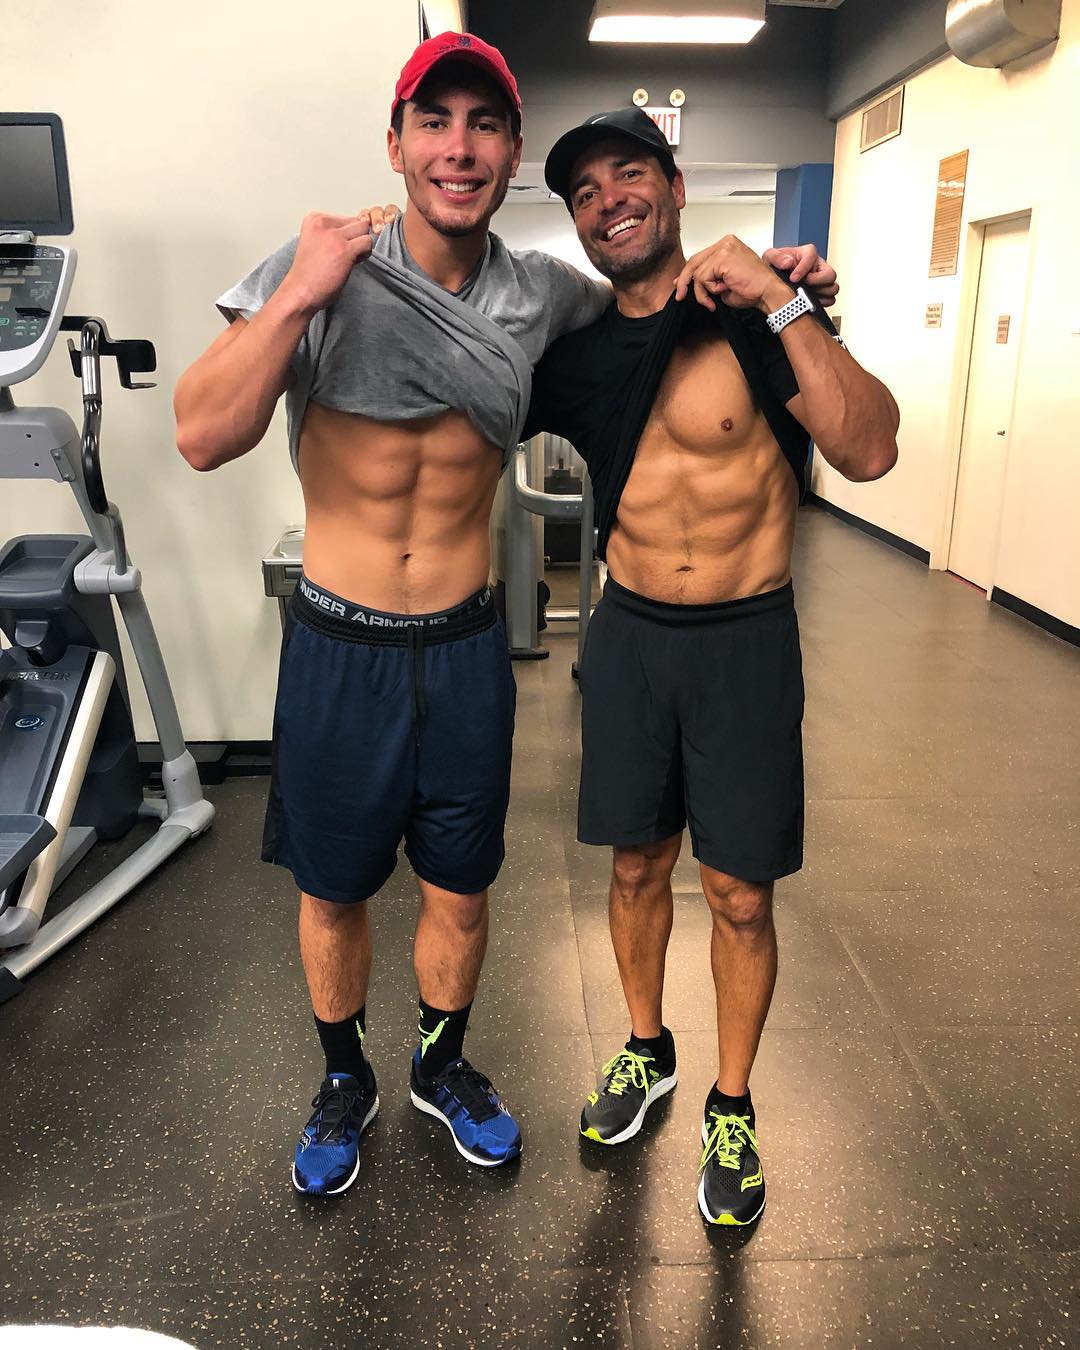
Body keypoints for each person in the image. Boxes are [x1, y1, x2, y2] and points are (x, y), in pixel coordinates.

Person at [174, 29, 836, 1198]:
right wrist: (299, 297)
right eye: (434, 121)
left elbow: (656, 301)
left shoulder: (546, 296)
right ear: (395, 144)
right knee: (332, 888)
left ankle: (442, 1062)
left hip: (465, 646)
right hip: (341, 641)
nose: (459, 146)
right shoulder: (319, 265)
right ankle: (344, 1077)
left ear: (512, 152)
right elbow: (201, 433)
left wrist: (785, 287)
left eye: (483, 124)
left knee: (461, 887)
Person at [525, 108, 899, 1226]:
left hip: (745, 639)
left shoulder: (760, 321)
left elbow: (870, 448)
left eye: (628, 174)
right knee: (636, 867)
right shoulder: (576, 356)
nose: (609, 202)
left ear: (676, 186)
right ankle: (647, 1049)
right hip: (631, 635)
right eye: (584, 192)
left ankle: (731, 1104)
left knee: (738, 893)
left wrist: (784, 297)